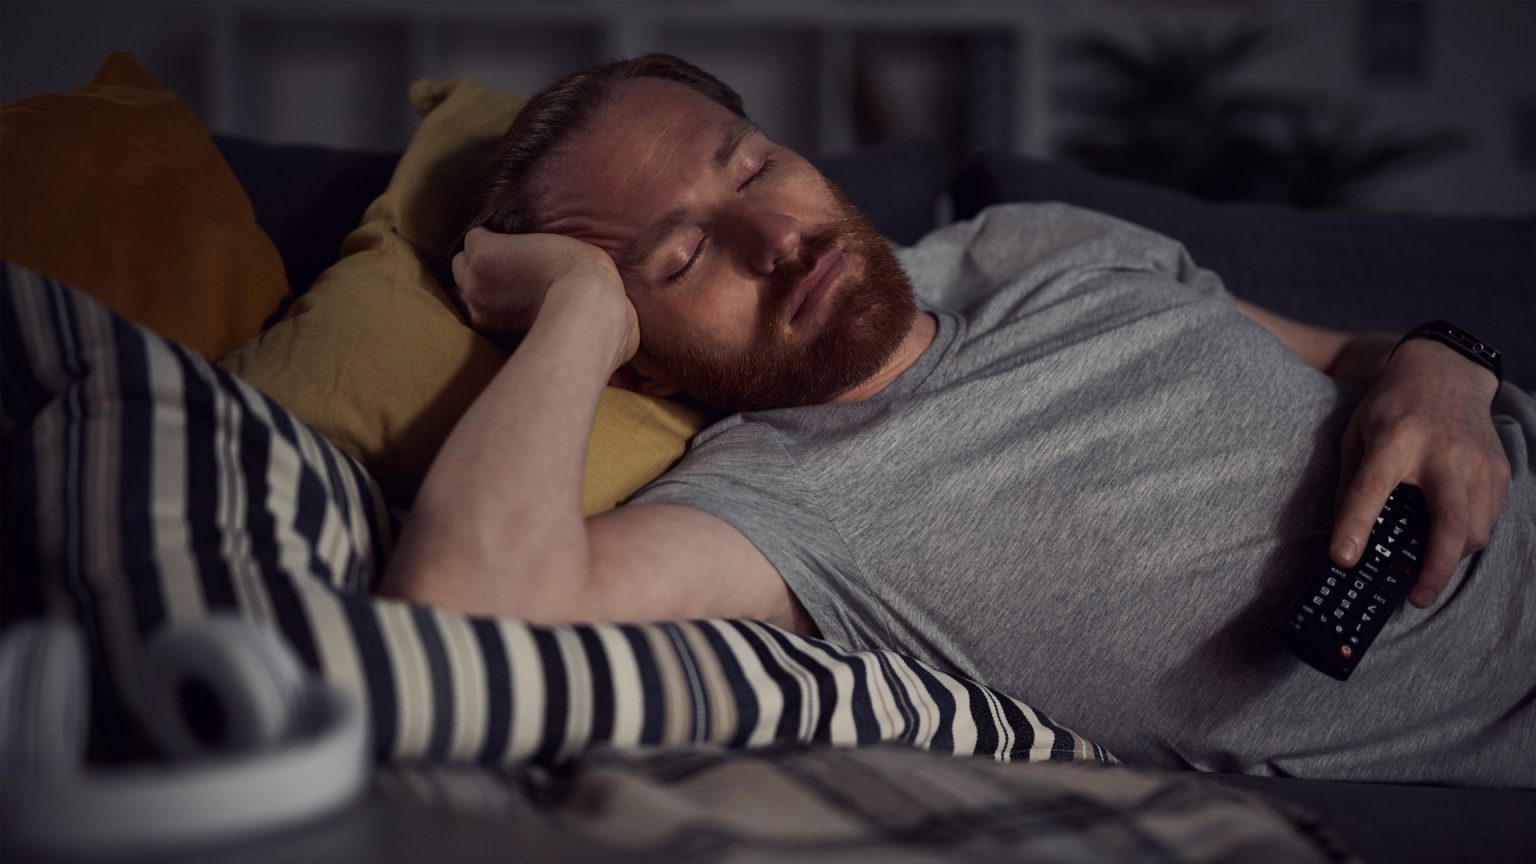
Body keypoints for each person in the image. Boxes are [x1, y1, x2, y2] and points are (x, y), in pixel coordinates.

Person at [381, 54, 1533, 785]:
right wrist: (576, 311)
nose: (777, 240)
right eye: (682, 259)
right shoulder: (777, 505)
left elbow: (1345, 352)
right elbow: (464, 615)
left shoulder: (1028, 242)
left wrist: (1444, 370)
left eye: (755, 167)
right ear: (636, 361)